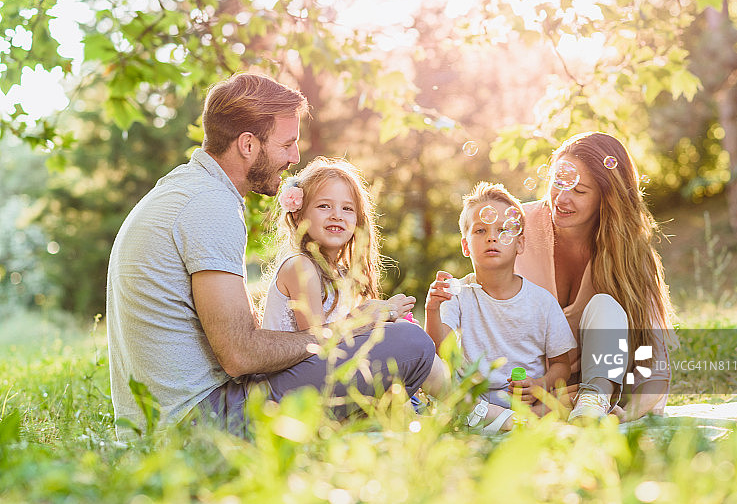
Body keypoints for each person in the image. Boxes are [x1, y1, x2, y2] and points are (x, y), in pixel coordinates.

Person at [106, 73, 435, 437]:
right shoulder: (210, 206)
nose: (294, 157)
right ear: (248, 144)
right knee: (410, 345)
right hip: (201, 422)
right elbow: (240, 355)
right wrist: (351, 326)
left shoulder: (183, 190)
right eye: (287, 143)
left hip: (167, 418)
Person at [515, 132, 674, 422]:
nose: (562, 198)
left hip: (594, 390)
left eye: (579, 190)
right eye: (558, 183)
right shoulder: (516, 227)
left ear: (606, 196)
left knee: (605, 306)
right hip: (522, 388)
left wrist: (626, 416)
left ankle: (591, 404)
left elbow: (655, 363)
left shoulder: (631, 254)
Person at [261, 156, 449, 395]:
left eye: (347, 208)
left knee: (401, 334)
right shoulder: (300, 266)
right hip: (288, 386)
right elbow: (317, 343)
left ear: (358, 220)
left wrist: (385, 320)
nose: (337, 215)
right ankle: (468, 410)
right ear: (298, 215)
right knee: (405, 337)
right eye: (324, 206)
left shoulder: (339, 274)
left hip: (314, 377)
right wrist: (373, 317)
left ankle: (457, 406)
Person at [425, 182, 576, 433]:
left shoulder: (541, 301)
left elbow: (562, 364)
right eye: (481, 231)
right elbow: (441, 352)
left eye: (503, 230)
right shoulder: (458, 294)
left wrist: (540, 383)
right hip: (475, 401)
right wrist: (432, 309)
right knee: (444, 390)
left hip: (525, 401)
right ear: (465, 246)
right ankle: (512, 421)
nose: (492, 237)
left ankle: (515, 420)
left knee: (576, 394)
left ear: (520, 245)